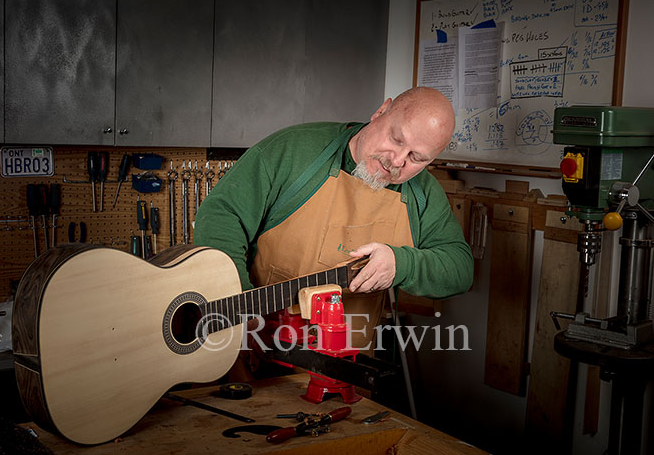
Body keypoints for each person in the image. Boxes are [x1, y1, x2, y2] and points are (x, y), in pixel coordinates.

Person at [194, 86, 473, 352]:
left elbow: (460, 269)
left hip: (348, 373)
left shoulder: (423, 194)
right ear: (381, 112)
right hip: (254, 354)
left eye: (416, 157)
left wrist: (402, 265)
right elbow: (221, 216)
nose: (397, 161)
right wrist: (237, 303)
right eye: (396, 139)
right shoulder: (292, 151)